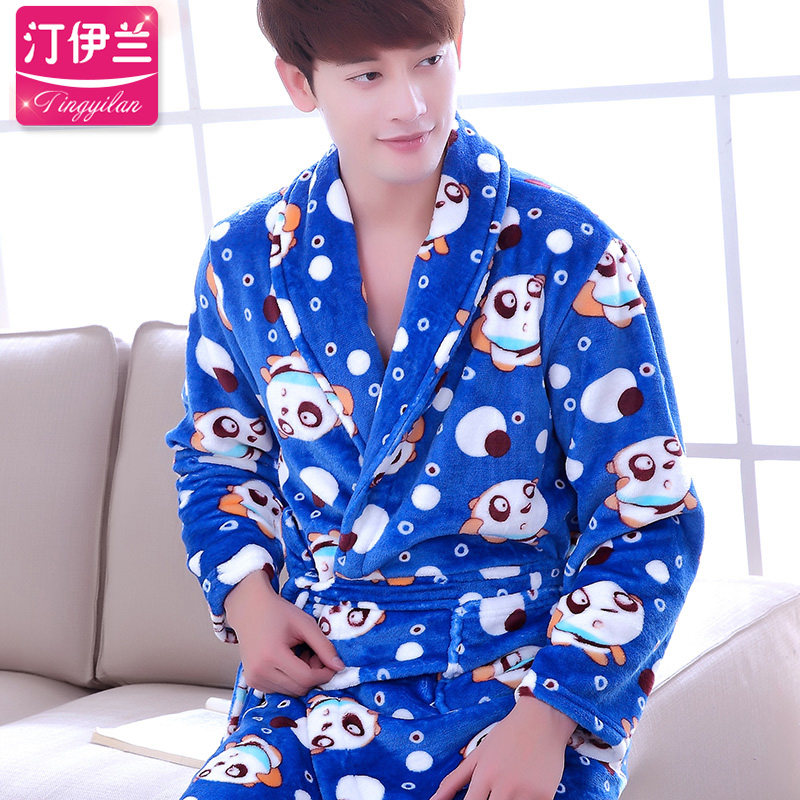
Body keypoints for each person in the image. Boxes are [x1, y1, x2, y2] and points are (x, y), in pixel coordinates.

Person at [166, 1, 704, 798]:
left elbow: (646, 510)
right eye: (367, 75)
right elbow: (217, 455)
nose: (411, 103)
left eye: (428, 59)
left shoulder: (571, 251)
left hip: (516, 683)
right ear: (299, 82)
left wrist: (549, 719)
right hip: (315, 690)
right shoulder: (242, 259)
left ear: (459, 46)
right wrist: (247, 597)